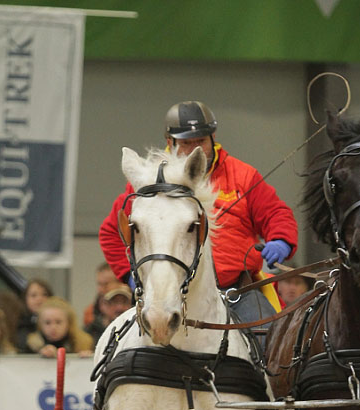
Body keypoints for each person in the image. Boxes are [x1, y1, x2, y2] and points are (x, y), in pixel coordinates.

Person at [99, 100, 298, 326]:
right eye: (186, 142)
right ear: (169, 141)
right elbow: (111, 232)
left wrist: (281, 240)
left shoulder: (243, 175)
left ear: (213, 137)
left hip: (237, 292)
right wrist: (129, 274)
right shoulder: (148, 180)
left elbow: (276, 213)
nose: (195, 149)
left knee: (270, 341)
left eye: (201, 141)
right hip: (171, 296)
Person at [25, 296, 94, 358]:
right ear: (40, 324)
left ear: (69, 323)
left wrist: (88, 359)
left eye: (58, 322)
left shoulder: (84, 343)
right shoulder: (32, 345)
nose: (53, 327)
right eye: (47, 323)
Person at [16, 278, 54, 352]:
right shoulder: (18, 323)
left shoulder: (60, 318)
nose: (39, 299)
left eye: (44, 294)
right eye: (33, 295)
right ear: (25, 299)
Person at [82, 262, 121, 328]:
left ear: (120, 282)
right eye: (99, 284)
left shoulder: (136, 306)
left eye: (106, 284)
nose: (101, 289)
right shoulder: (90, 313)